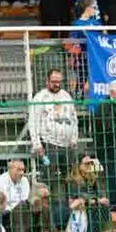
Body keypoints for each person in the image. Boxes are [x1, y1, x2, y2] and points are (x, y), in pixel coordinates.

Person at [28, 69, 78, 199]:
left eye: (59, 82)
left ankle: (71, 203)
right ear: (47, 81)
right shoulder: (40, 97)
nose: (57, 84)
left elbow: (74, 119)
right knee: (48, 178)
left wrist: (74, 139)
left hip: (67, 145)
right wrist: (37, 144)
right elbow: (33, 122)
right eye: (54, 81)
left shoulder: (66, 96)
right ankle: (48, 206)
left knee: (70, 178)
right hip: (50, 144)